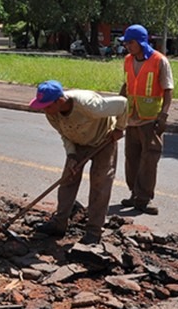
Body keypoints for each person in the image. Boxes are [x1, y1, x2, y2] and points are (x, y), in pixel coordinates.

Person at [29, 80, 128, 245]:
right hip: (77, 144)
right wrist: (72, 155)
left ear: (59, 100)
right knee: (68, 179)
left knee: (100, 183)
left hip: (104, 140)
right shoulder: (51, 113)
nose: (44, 109)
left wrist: (119, 128)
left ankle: (94, 231)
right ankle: (59, 224)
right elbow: (64, 134)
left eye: (46, 105)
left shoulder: (89, 105)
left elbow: (123, 103)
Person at [118, 24, 174, 215]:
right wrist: (118, 107)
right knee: (131, 160)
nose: (127, 46)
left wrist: (164, 115)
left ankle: (144, 199)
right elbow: (126, 85)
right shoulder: (127, 60)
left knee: (149, 161)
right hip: (131, 118)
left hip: (150, 120)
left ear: (141, 42)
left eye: (131, 42)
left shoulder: (159, 61)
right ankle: (134, 194)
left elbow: (168, 89)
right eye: (126, 43)